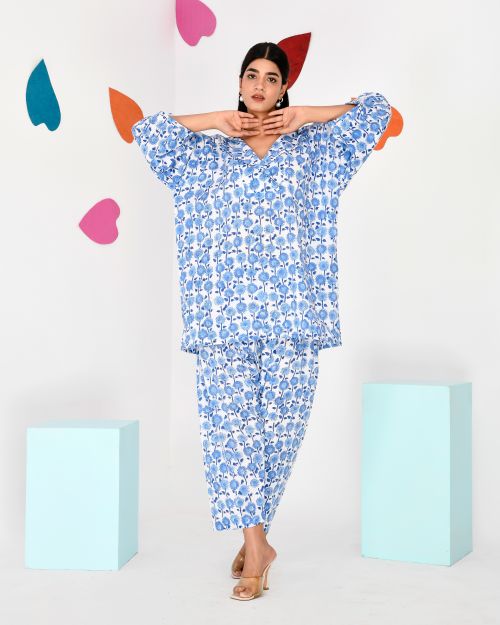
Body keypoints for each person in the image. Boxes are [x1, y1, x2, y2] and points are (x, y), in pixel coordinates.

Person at [131, 41, 392, 600]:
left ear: (283, 89)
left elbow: (377, 111)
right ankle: (256, 550)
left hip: (295, 314)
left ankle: (257, 538)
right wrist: (214, 120)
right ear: (239, 82)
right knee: (230, 434)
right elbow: (147, 132)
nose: (259, 85)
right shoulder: (206, 155)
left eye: (272, 78)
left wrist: (306, 115)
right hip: (221, 316)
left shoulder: (314, 150)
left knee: (278, 436)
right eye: (252, 74)